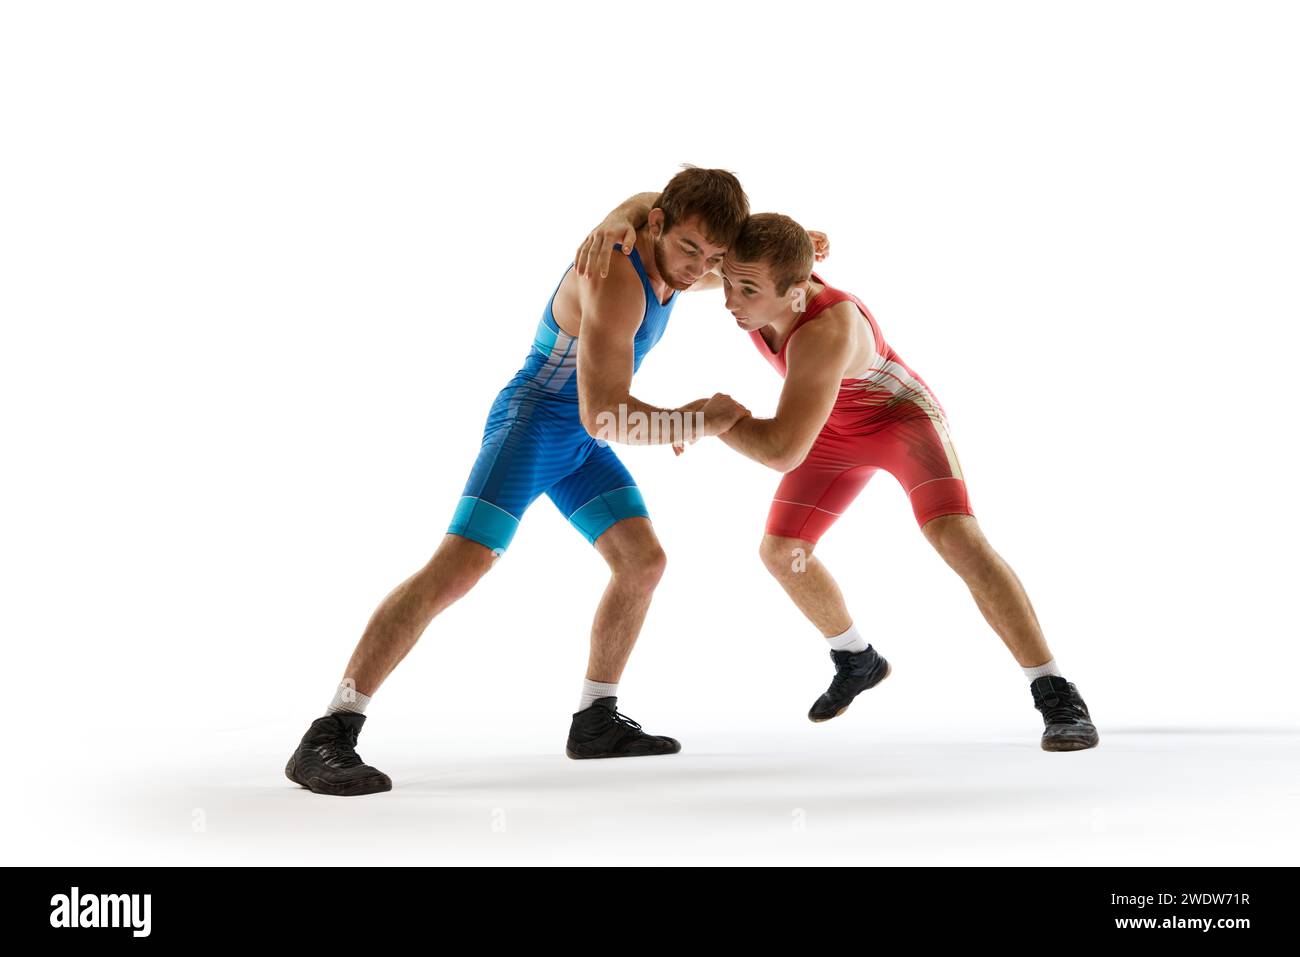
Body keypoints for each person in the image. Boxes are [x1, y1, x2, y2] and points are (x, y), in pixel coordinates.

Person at [285, 167, 751, 796]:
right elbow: (605, 413)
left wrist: (786, 248)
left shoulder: (673, 256)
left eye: (714, 257)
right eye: (690, 249)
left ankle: (595, 721)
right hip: (534, 426)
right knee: (455, 570)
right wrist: (699, 421)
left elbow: (687, 240)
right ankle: (328, 734)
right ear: (659, 226)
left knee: (641, 563)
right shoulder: (617, 275)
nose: (699, 269)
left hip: (579, 443)